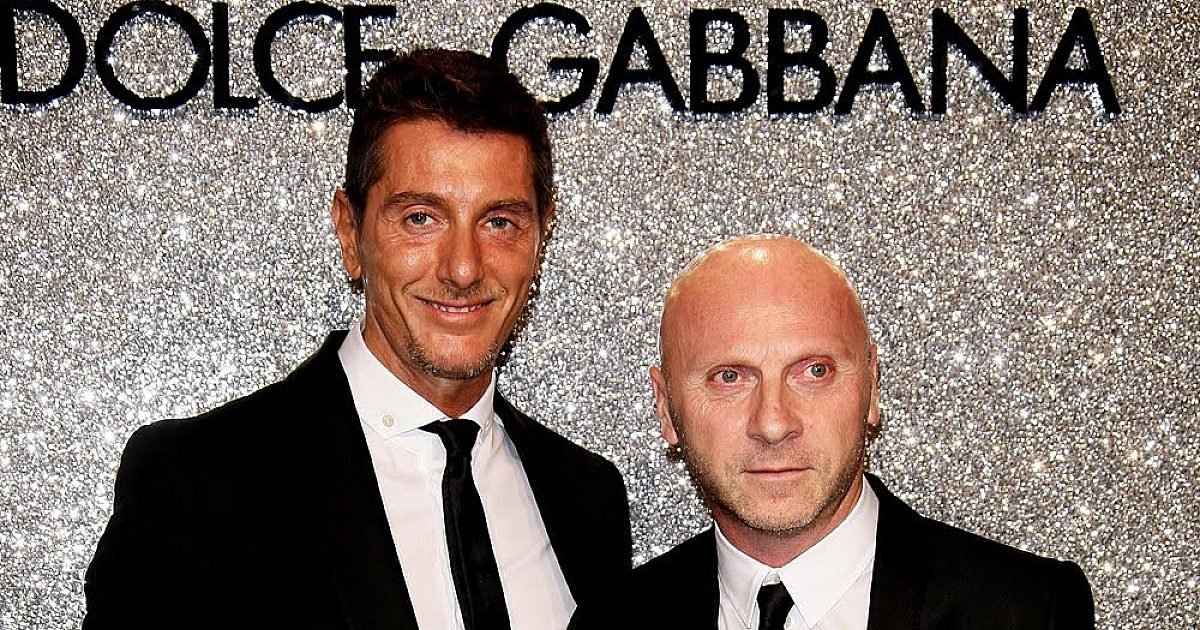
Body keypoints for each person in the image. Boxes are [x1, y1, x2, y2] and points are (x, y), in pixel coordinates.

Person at [84, 48, 631, 630]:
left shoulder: (587, 498)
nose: (464, 268)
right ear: (351, 233)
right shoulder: (199, 482)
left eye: (499, 222)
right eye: (421, 218)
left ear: (541, 237)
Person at [571, 235, 1094, 630]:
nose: (773, 423)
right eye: (729, 377)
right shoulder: (609, 623)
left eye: (815, 371)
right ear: (666, 408)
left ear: (872, 387)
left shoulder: (1027, 612)